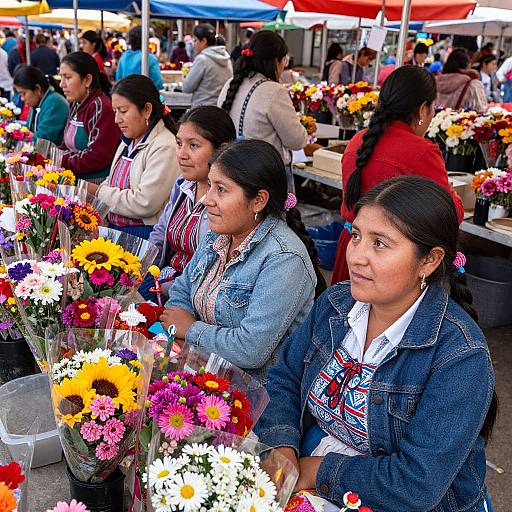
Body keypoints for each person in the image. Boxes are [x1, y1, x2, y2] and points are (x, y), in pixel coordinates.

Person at [255, 175, 497, 512]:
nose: (355, 256)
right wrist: (282, 445)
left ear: (429, 260)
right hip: (314, 475)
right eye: (356, 236)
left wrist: (318, 470)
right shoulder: (336, 305)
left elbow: (416, 483)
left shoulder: (460, 356)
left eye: (380, 243)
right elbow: (285, 379)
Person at [160, 139, 325, 383]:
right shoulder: (218, 236)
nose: (207, 199)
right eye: (210, 186)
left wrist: (191, 330)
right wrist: (184, 329)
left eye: (221, 190)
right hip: (202, 375)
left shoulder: (284, 258)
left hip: (253, 394)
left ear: (258, 200)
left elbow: (250, 350)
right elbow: (181, 293)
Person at [331, 66, 464, 284]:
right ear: (422, 110)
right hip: (389, 262)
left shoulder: (358, 140)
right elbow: (449, 216)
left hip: (352, 248)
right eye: (432, 109)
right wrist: (455, 196)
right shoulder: (422, 151)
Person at [140, 106, 237, 300]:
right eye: (179, 143)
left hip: (191, 296)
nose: (181, 154)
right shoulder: (183, 186)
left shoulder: (227, 201)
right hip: (163, 282)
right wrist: (139, 269)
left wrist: (161, 288)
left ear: (221, 150)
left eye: (193, 145)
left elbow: (211, 271)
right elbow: (159, 235)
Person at [84, 74, 178, 239]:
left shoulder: (165, 146)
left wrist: (97, 191)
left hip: (141, 236)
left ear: (147, 109)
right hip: (114, 228)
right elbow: (112, 181)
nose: (116, 119)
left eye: (123, 111)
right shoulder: (130, 140)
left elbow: (144, 203)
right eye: (115, 111)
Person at [218, 30, 307, 192]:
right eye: (284, 60)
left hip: (232, 170)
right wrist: (305, 129)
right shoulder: (273, 91)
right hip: (266, 176)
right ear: (275, 61)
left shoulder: (230, 84)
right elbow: (296, 141)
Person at [59, 52, 120, 183]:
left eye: (68, 77)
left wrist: (60, 160)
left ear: (87, 80)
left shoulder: (102, 108)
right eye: (61, 77)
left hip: (94, 185)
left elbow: (97, 156)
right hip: (72, 179)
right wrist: (52, 156)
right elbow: (66, 144)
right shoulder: (76, 104)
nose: (62, 84)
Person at [13, 64, 68, 145]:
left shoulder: (54, 102)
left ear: (38, 89)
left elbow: (43, 139)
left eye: (24, 93)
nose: (22, 98)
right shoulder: (37, 102)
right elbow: (28, 130)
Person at [181, 23, 232, 108]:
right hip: (221, 109)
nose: (194, 44)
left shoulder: (202, 59)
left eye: (195, 40)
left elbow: (187, 87)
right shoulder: (227, 59)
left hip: (202, 110)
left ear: (204, 41)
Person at [436, 48, 488, 112]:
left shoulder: (437, 82)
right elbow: (481, 109)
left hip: (436, 120)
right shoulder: (472, 85)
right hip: (461, 121)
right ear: (467, 64)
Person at [116, 26, 163, 90]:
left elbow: (118, 78)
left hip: (125, 95)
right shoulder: (150, 58)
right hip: (144, 96)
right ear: (146, 39)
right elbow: (158, 83)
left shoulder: (124, 57)